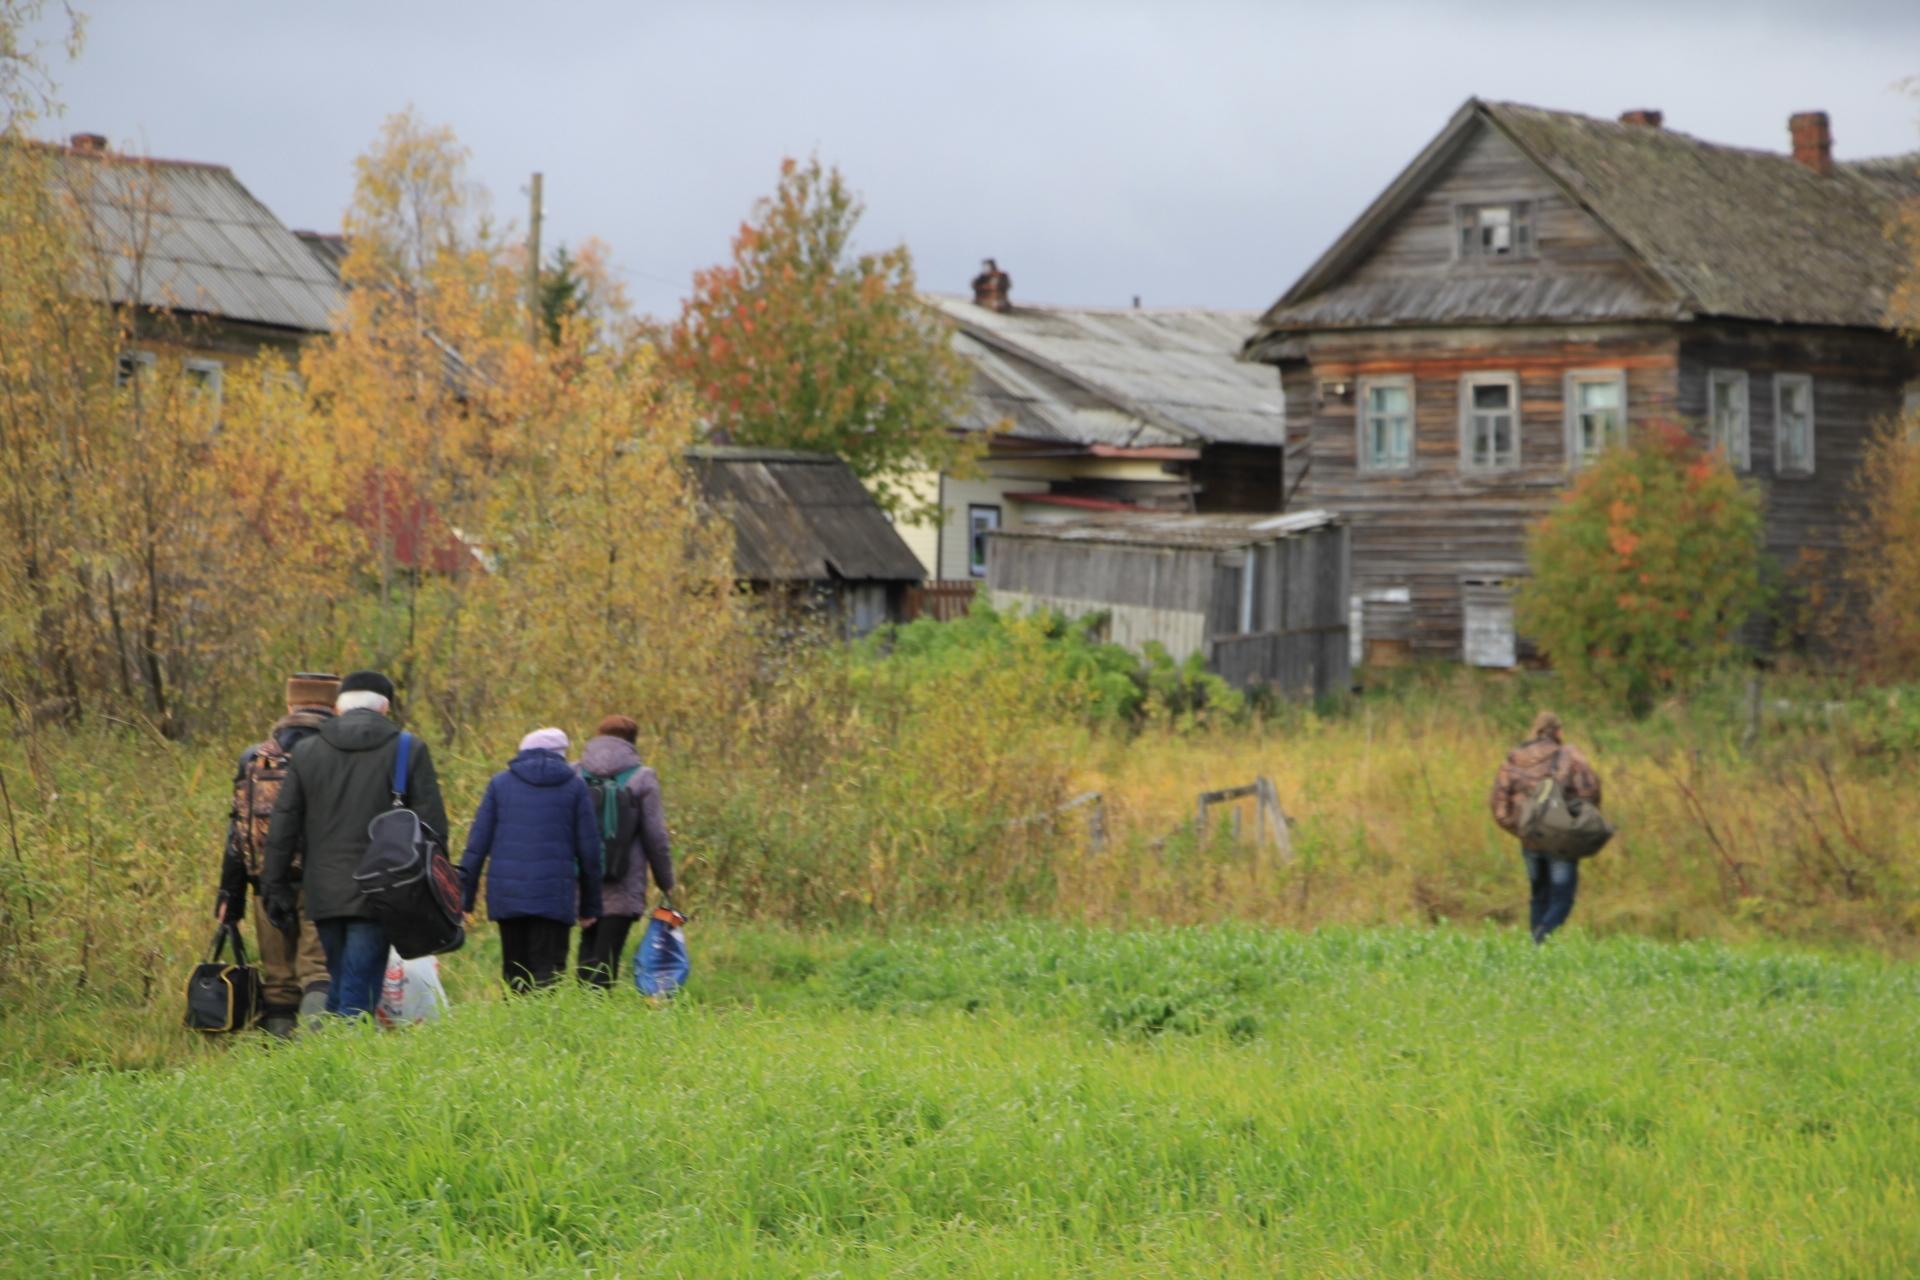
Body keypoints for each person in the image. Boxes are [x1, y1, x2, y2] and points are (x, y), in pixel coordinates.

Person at [261, 670, 449, 1020]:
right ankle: (342, 1064)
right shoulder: (408, 749)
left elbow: (283, 825)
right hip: (382, 891)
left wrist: (273, 885)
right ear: (385, 708)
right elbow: (432, 828)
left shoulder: (307, 752)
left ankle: (328, 1063)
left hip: (323, 893)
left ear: (338, 707)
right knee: (357, 994)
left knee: (341, 985)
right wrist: (439, 894)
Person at [214, 672, 339, 1037]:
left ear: (289, 705)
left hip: (264, 884)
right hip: (325, 883)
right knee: (318, 971)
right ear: (334, 707)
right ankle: (317, 1055)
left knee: (278, 978)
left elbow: (237, 830)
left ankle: (278, 1063)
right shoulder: (338, 753)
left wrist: (229, 895)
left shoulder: (255, 758)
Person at [459, 728, 603, 992]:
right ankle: (544, 1032)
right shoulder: (575, 787)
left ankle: (514, 1030)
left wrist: (463, 900)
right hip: (554, 896)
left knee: (515, 974)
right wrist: (590, 908)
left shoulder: (499, 784)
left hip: (508, 894)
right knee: (549, 975)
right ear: (561, 754)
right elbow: (590, 851)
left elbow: (476, 846)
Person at [575, 715, 677, 988]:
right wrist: (666, 881)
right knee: (607, 955)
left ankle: (578, 1014)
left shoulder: (575, 773)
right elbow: (656, 837)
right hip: (623, 880)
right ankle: (597, 1015)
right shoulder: (642, 777)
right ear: (632, 742)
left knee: (587, 949)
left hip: (581, 880)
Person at [1491, 710, 1602, 943]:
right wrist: (1574, 822)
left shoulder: (1513, 759)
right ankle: (1538, 941)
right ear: (1558, 731)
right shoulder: (1570, 756)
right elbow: (1590, 791)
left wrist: (1521, 827)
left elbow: (1499, 805)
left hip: (1530, 838)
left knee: (1539, 896)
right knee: (1562, 898)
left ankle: (1536, 952)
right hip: (1560, 838)